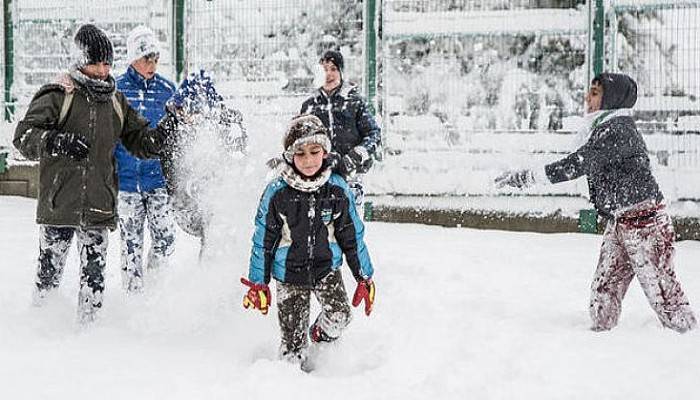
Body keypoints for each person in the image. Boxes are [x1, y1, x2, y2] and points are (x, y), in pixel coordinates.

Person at [495, 73, 697, 333]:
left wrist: (526, 178)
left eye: (594, 93)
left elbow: (577, 164)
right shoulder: (603, 128)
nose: (587, 99)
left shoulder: (619, 130)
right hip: (621, 220)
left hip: (645, 223)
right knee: (605, 286)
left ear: (611, 98)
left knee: (662, 290)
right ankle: (599, 339)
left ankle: (687, 334)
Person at [13, 24, 181, 324]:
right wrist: (55, 141)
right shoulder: (58, 94)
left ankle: (89, 338)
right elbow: (24, 137)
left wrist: (165, 133)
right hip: (59, 204)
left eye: (107, 63)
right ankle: (40, 332)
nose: (103, 71)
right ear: (80, 60)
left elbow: (142, 142)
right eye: (96, 63)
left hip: (99, 205)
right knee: (48, 278)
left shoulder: (116, 101)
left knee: (94, 282)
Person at [241, 115, 375, 371]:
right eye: (300, 153)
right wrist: (258, 282)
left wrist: (364, 276)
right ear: (290, 156)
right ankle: (293, 381)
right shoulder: (277, 192)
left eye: (315, 151)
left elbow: (352, 235)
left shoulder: (336, 189)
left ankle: (319, 338)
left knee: (340, 317)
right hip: (289, 273)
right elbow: (263, 241)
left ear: (325, 151)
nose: (309, 160)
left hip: (326, 269)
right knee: (293, 349)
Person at [158, 69, 247, 260]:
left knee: (215, 232)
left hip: (217, 196)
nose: (187, 117)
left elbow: (238, 161)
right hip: (186, 201)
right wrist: (179, 193)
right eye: (182, 110)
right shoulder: (172, 128)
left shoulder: (226, 127)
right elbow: (168, 167)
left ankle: (213, 271)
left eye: (193, 111)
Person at [114, 26, 177, 293]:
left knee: (166, 238)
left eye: (155, 58)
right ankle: (133, 296)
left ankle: (155, 286)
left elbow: (175, 136)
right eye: (145, 58)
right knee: (131, 243)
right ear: (132, 58)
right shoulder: (116, 90)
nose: (151, 64)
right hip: (127, 183)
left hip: (158, 181)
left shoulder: (167, 90)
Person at [299, 50, 381, 206]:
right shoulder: (309, 106)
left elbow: (374, 134)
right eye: (324, 69)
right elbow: (300, 140)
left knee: (350, 223)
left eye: (333, 69)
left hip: (352, 174)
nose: (329, 74)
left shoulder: (354, 102)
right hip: (320, 175)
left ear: (341, 72)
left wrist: (356, 156)